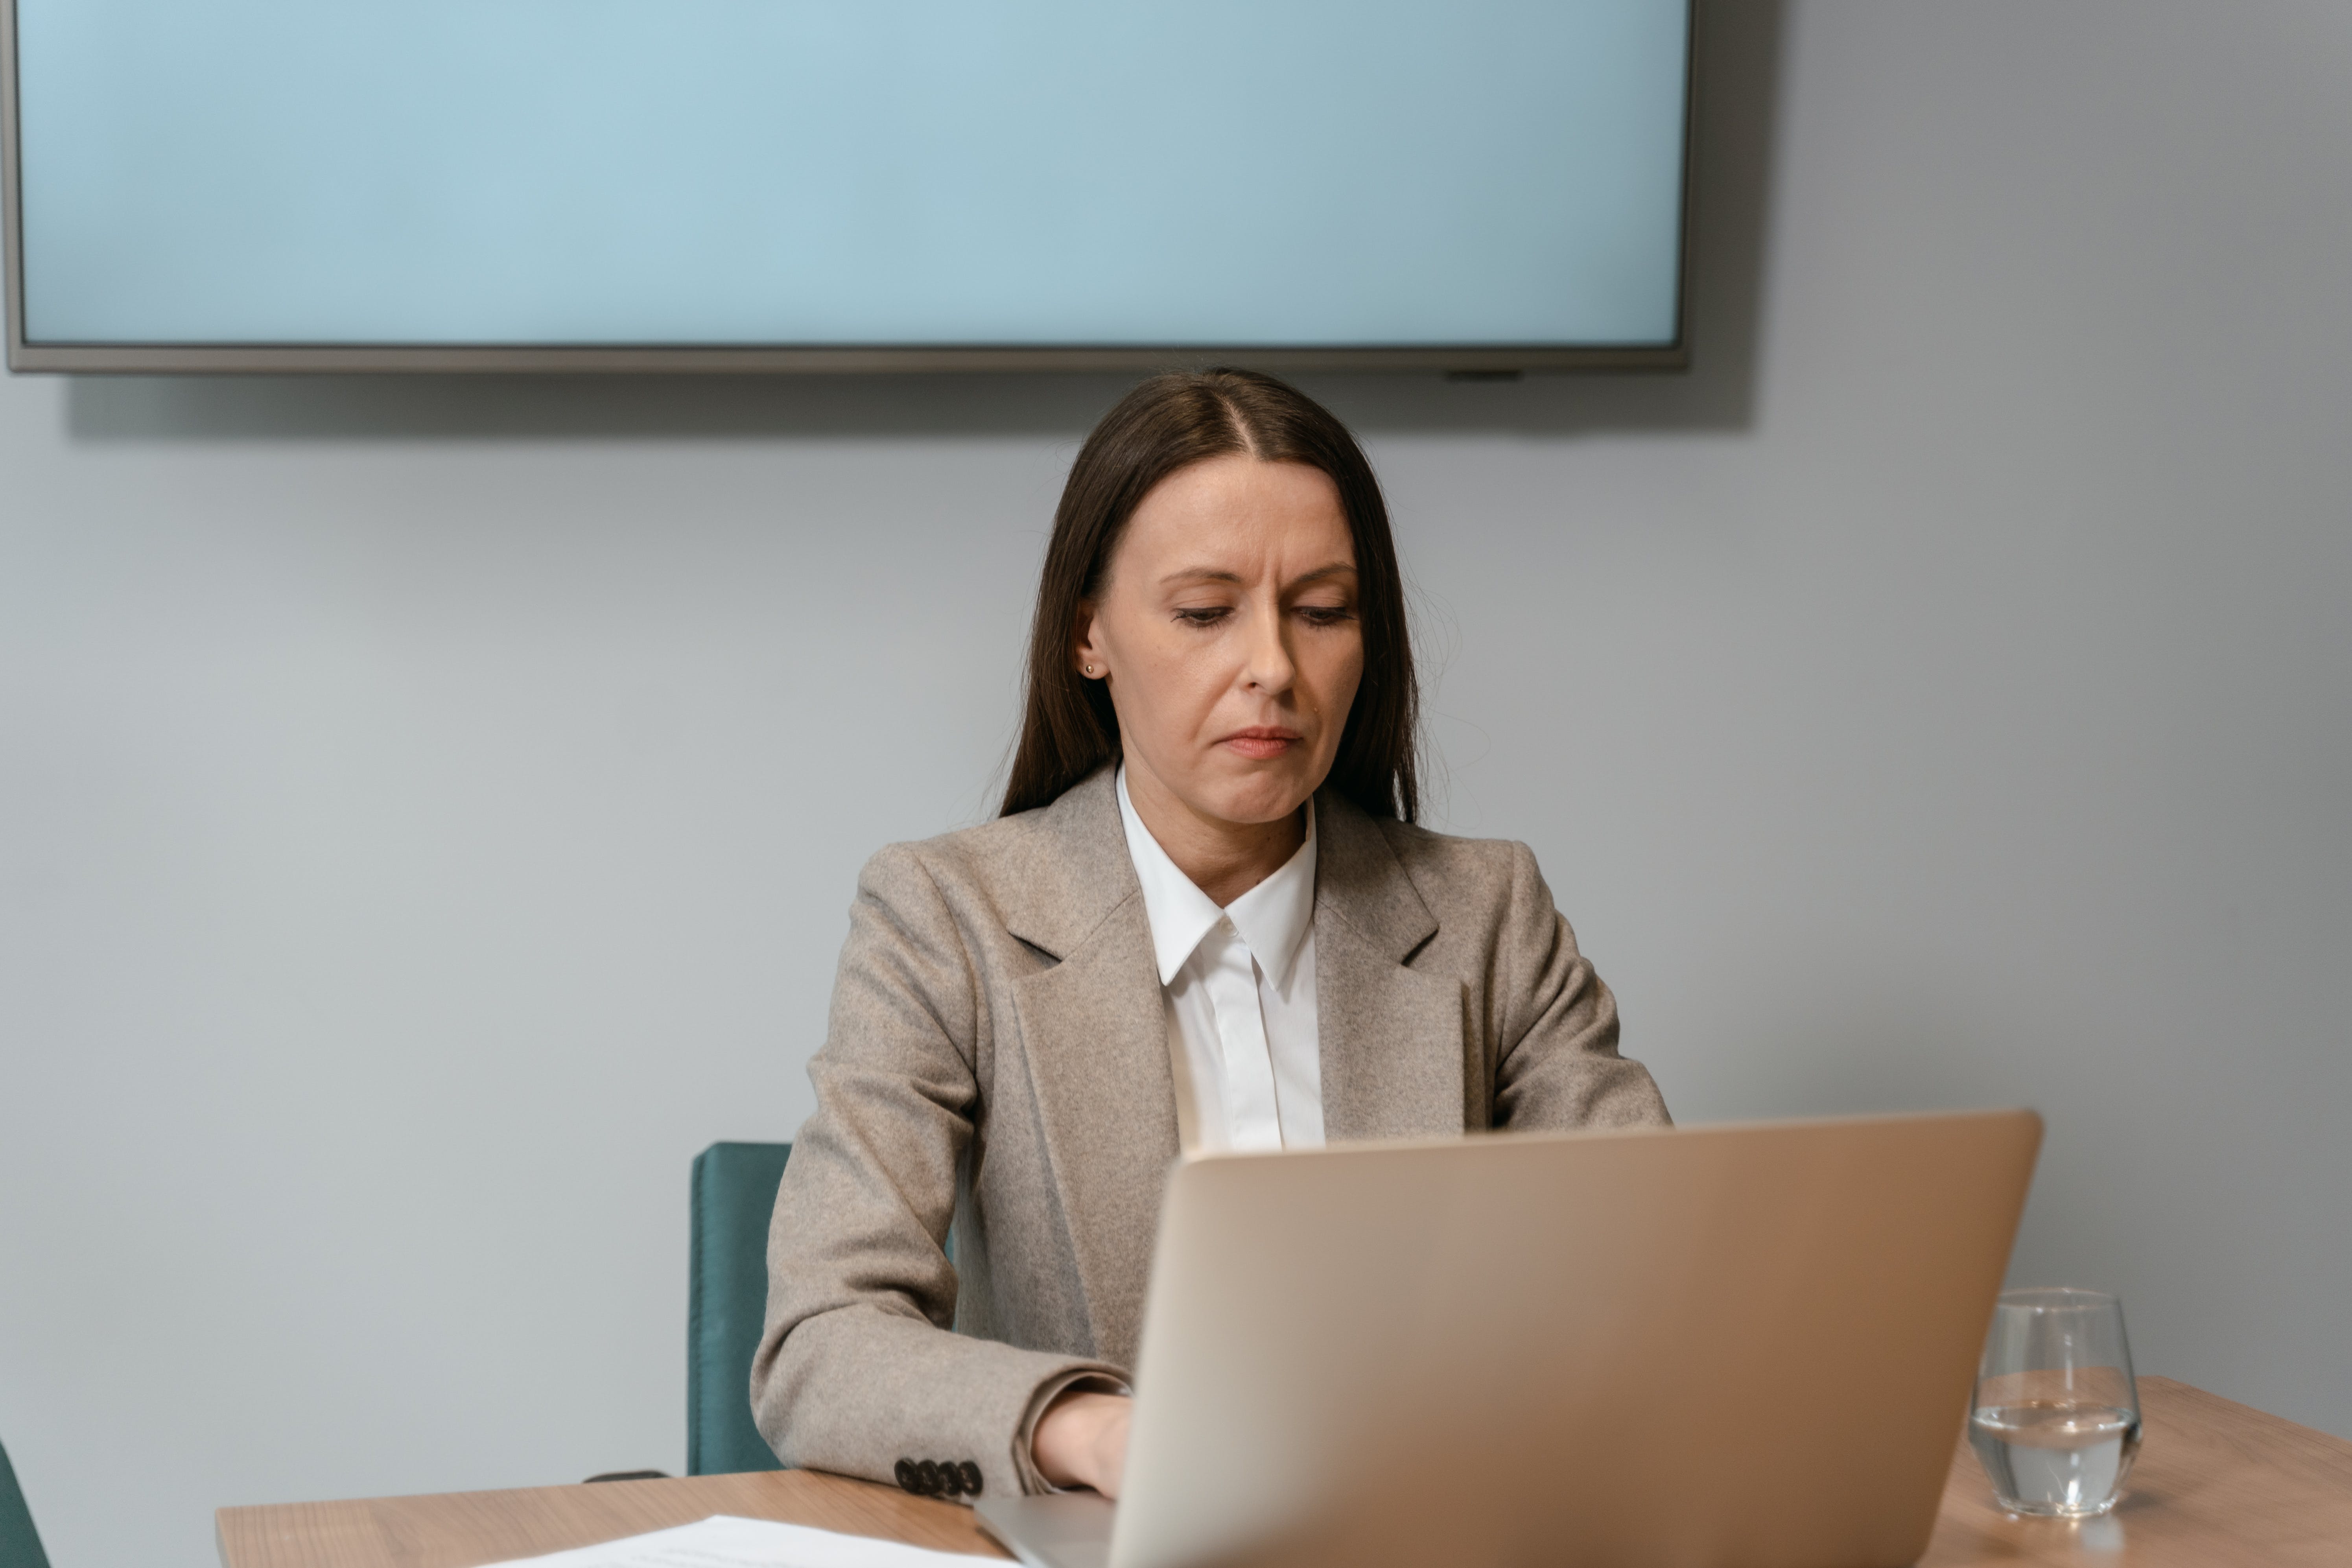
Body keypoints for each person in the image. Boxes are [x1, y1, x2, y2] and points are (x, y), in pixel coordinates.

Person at [750, 368, 1668, 1505]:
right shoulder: (947, 915)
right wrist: (1096, 1434)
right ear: (1089, 633)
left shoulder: (1489, 914)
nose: (1273, 668)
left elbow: (1652, 1275)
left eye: (1322, 611)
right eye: (1203, 612)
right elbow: (820, 1339)